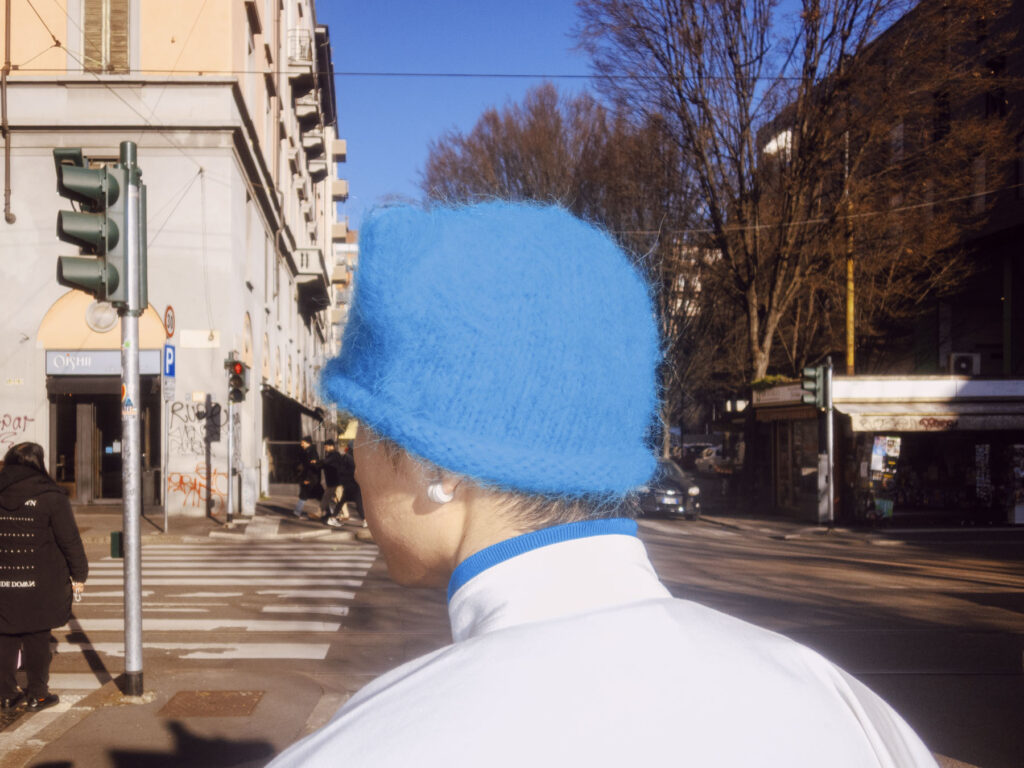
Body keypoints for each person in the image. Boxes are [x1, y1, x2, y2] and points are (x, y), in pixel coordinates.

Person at [269, 202, 938, 767]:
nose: (352, 458)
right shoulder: (857, 717)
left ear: (439, 464)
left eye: (364, 422)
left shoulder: (366, 748)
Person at [0, 442, 88, 712]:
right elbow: (69, 539)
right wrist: (79, 573)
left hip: (3, 579)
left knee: (4, 634)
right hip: (41, 581)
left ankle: (4, 695)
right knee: (38, 636)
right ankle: (37, 694)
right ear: (39, 463)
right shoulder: (51, 496)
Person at [291, 436, 321, 519]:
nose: (301, 444)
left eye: (303, 442)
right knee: (317, 495)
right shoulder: (306, 451)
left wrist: (307, 479)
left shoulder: (311, 452)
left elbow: (312, 466)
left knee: (319, 495)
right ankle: (331, 512)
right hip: (309, 478)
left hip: (311, 478)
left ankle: (297, 511)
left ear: (308, 443)